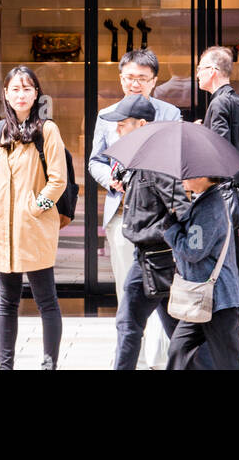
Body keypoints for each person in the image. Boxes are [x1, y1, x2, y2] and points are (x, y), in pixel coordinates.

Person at [89, 48, 180, 367]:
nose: (135, 84)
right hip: (121, 212)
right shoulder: (106, 115)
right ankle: (136, 357)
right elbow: (95, 161)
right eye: (129, 77)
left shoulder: (170, 114)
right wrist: (110, 179)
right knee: (127, 288)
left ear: (155, 81)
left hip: (158, 219)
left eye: (142, 78)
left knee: (160, 288)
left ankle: (160, 355)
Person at [0, 65, 68, 370]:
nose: (21, 94)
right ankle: (5, 365)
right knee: (6, 303)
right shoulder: (0, 130)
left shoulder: (47, 130)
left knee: (46, 299)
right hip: (2, 229)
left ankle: (49, 364)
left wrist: (36, 207)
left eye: (27, 88)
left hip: (34, 227)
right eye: (15, 89)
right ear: (5, 93)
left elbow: (58, 179)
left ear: (36, 93)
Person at [105, 94, 189, 370]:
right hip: (154, 257)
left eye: (122, 124)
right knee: (178, 331)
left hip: (155, 257)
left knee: (128, 324)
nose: (118, 130)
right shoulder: (144, 159)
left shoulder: (156, 162)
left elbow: (180, 207)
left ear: (141, 124)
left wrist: (171, 243)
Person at [197, 45, 239, 329]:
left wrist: (202, 135)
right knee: (231, 256)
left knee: (223, 257)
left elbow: (218, 149)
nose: (197, 75)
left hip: (223, 193)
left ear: (212, 71)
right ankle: (237, 321)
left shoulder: (219, 103)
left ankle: (231, 322)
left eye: (200, 68)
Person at [164, 174, 239, 370]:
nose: (182, 179)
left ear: (203, 176)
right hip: (201, 299)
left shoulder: (209, 207)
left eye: (187, 175)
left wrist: (171, 229)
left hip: (217, 300)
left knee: (229, 362)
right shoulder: (205, 201)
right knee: (178, 350)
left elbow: (193, 251)